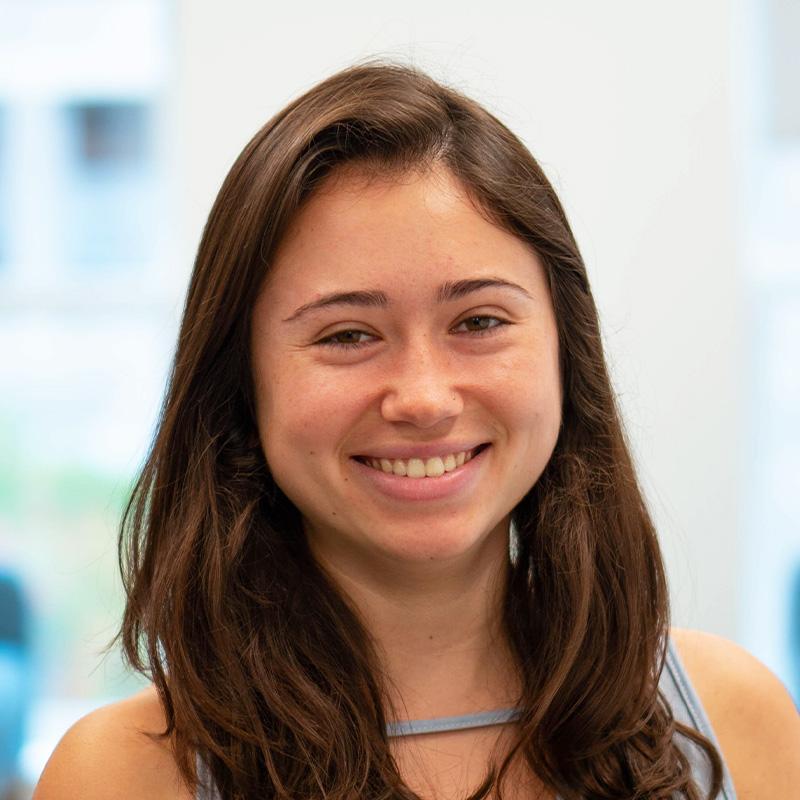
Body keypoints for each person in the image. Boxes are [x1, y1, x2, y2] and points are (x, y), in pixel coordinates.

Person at [34, 62, 799, 800]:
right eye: (347, 335)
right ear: (241, 383)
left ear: (567, 351)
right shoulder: (119, 775)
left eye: (479, 321)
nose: (425, 398)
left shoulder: (734, 719)